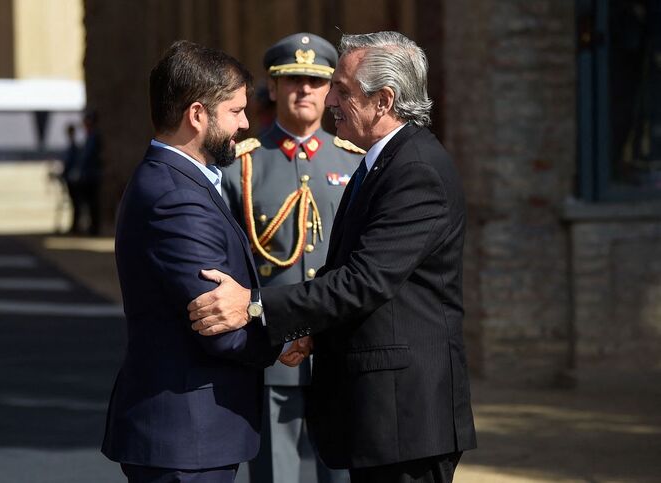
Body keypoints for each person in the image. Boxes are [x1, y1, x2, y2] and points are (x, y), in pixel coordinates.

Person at [188, 31, 477, 482]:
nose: (330, 100)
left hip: (405, 416)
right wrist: (310, 330)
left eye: (341, 89)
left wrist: (255, 306)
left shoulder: (414, 170)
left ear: (383, 101)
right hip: (376, 407)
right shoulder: (383, 161)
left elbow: (363, 281)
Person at [101, 40, 281, 483]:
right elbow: (218, 325)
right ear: (197, 114)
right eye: (236, 111)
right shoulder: (175, 197)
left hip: (189, 432)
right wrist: (281, 332)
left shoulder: (178, 182)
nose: (245, 123)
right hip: (187, 434)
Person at [221, 33, 360, 483]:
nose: (304, 90)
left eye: (315, 82)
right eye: (292, 80)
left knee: (340, 472)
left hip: (339, 347)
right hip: (272, 347)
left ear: (330, 90)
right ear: (273, 87)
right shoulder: (243, 166)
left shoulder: (354, 163)